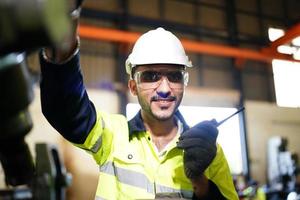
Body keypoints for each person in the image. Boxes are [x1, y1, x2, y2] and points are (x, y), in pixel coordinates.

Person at [39, 8, 239, 199]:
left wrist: (201, 183)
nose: (164, 89)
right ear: (133, 87)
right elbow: (66, 111)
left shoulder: (210, 152)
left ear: (184, 84)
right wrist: (64, 32)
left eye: (174, 76)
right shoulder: (113, 136)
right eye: (151, 76)